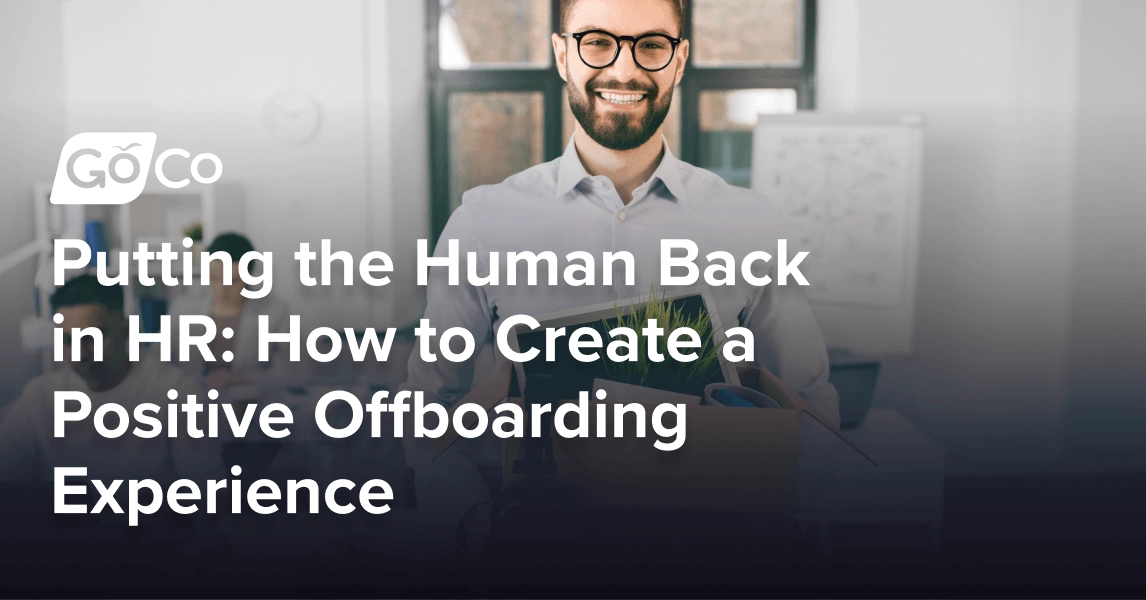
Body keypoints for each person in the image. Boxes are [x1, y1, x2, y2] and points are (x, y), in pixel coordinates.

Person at [405, 0, 839, 533]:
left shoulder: (752, 225)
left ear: (680, 60)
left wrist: (788, 529)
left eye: (651, 45)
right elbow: (428, 411)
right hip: (537, 545)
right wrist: (471, 526)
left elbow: (811, 400)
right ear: (562, 55)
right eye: (597, 42)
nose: (624, 69)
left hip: (712, 547)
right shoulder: (481, 223)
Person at [0, 275, 220, 481]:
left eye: (92, 338)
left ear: (125, 330)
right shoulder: (41, 397)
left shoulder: (176, 392)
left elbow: (204, 490)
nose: (80, 354)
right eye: (68, 340)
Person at [168, 232, 297, 394]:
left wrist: (239, 378)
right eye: (215, 278)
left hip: (251, 403)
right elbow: (157, 362)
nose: (222, 290)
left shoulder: (275, 311)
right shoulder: (182, 310)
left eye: (233, 281)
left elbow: (296, 371)